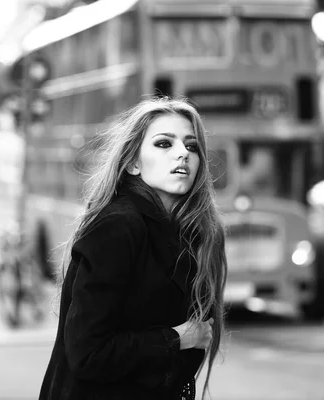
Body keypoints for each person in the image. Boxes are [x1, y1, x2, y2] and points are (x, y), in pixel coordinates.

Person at [39, 97, 228, 400]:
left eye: (191, 146)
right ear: (133, 163)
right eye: (164, 144)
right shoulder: (118, 226)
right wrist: (177, 339)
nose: (183, 154)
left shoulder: (188, 234)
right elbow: (88, 352)